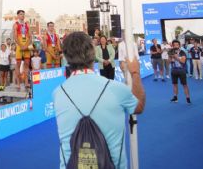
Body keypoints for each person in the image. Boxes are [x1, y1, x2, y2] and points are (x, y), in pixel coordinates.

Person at [54, 32, 145, 169]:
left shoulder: (58, 93)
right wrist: (136, 73)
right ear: (93, 53)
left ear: (66, 57)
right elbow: (139, 106)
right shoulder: (116, 89)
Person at [12, 10, 33, 90]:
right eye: (21, 14)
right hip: (19, 46)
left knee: (27, 64)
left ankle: (26, 82)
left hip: (26, 46)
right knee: (18, 64)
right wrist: (21, 46)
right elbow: (15, 37)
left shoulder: (27, 24)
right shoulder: (16, 24)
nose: (22, 16)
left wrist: (26, 45)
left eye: (23, 14)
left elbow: (30, 36)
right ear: (18, 15)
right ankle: (18, 83)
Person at [169, 40, 191, 104]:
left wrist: (176, 57)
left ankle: (188, 98)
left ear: (179, 45)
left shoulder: (182, 52)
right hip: (174, 70)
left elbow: (183, 61)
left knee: (184, 85)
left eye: (177, 45)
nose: (175, 46)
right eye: (174, 45)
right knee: (174, 84)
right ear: (172, 46)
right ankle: (175, 97)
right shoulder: (171, 52)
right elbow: (168, 62)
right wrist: (170, 58)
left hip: (181, 70)